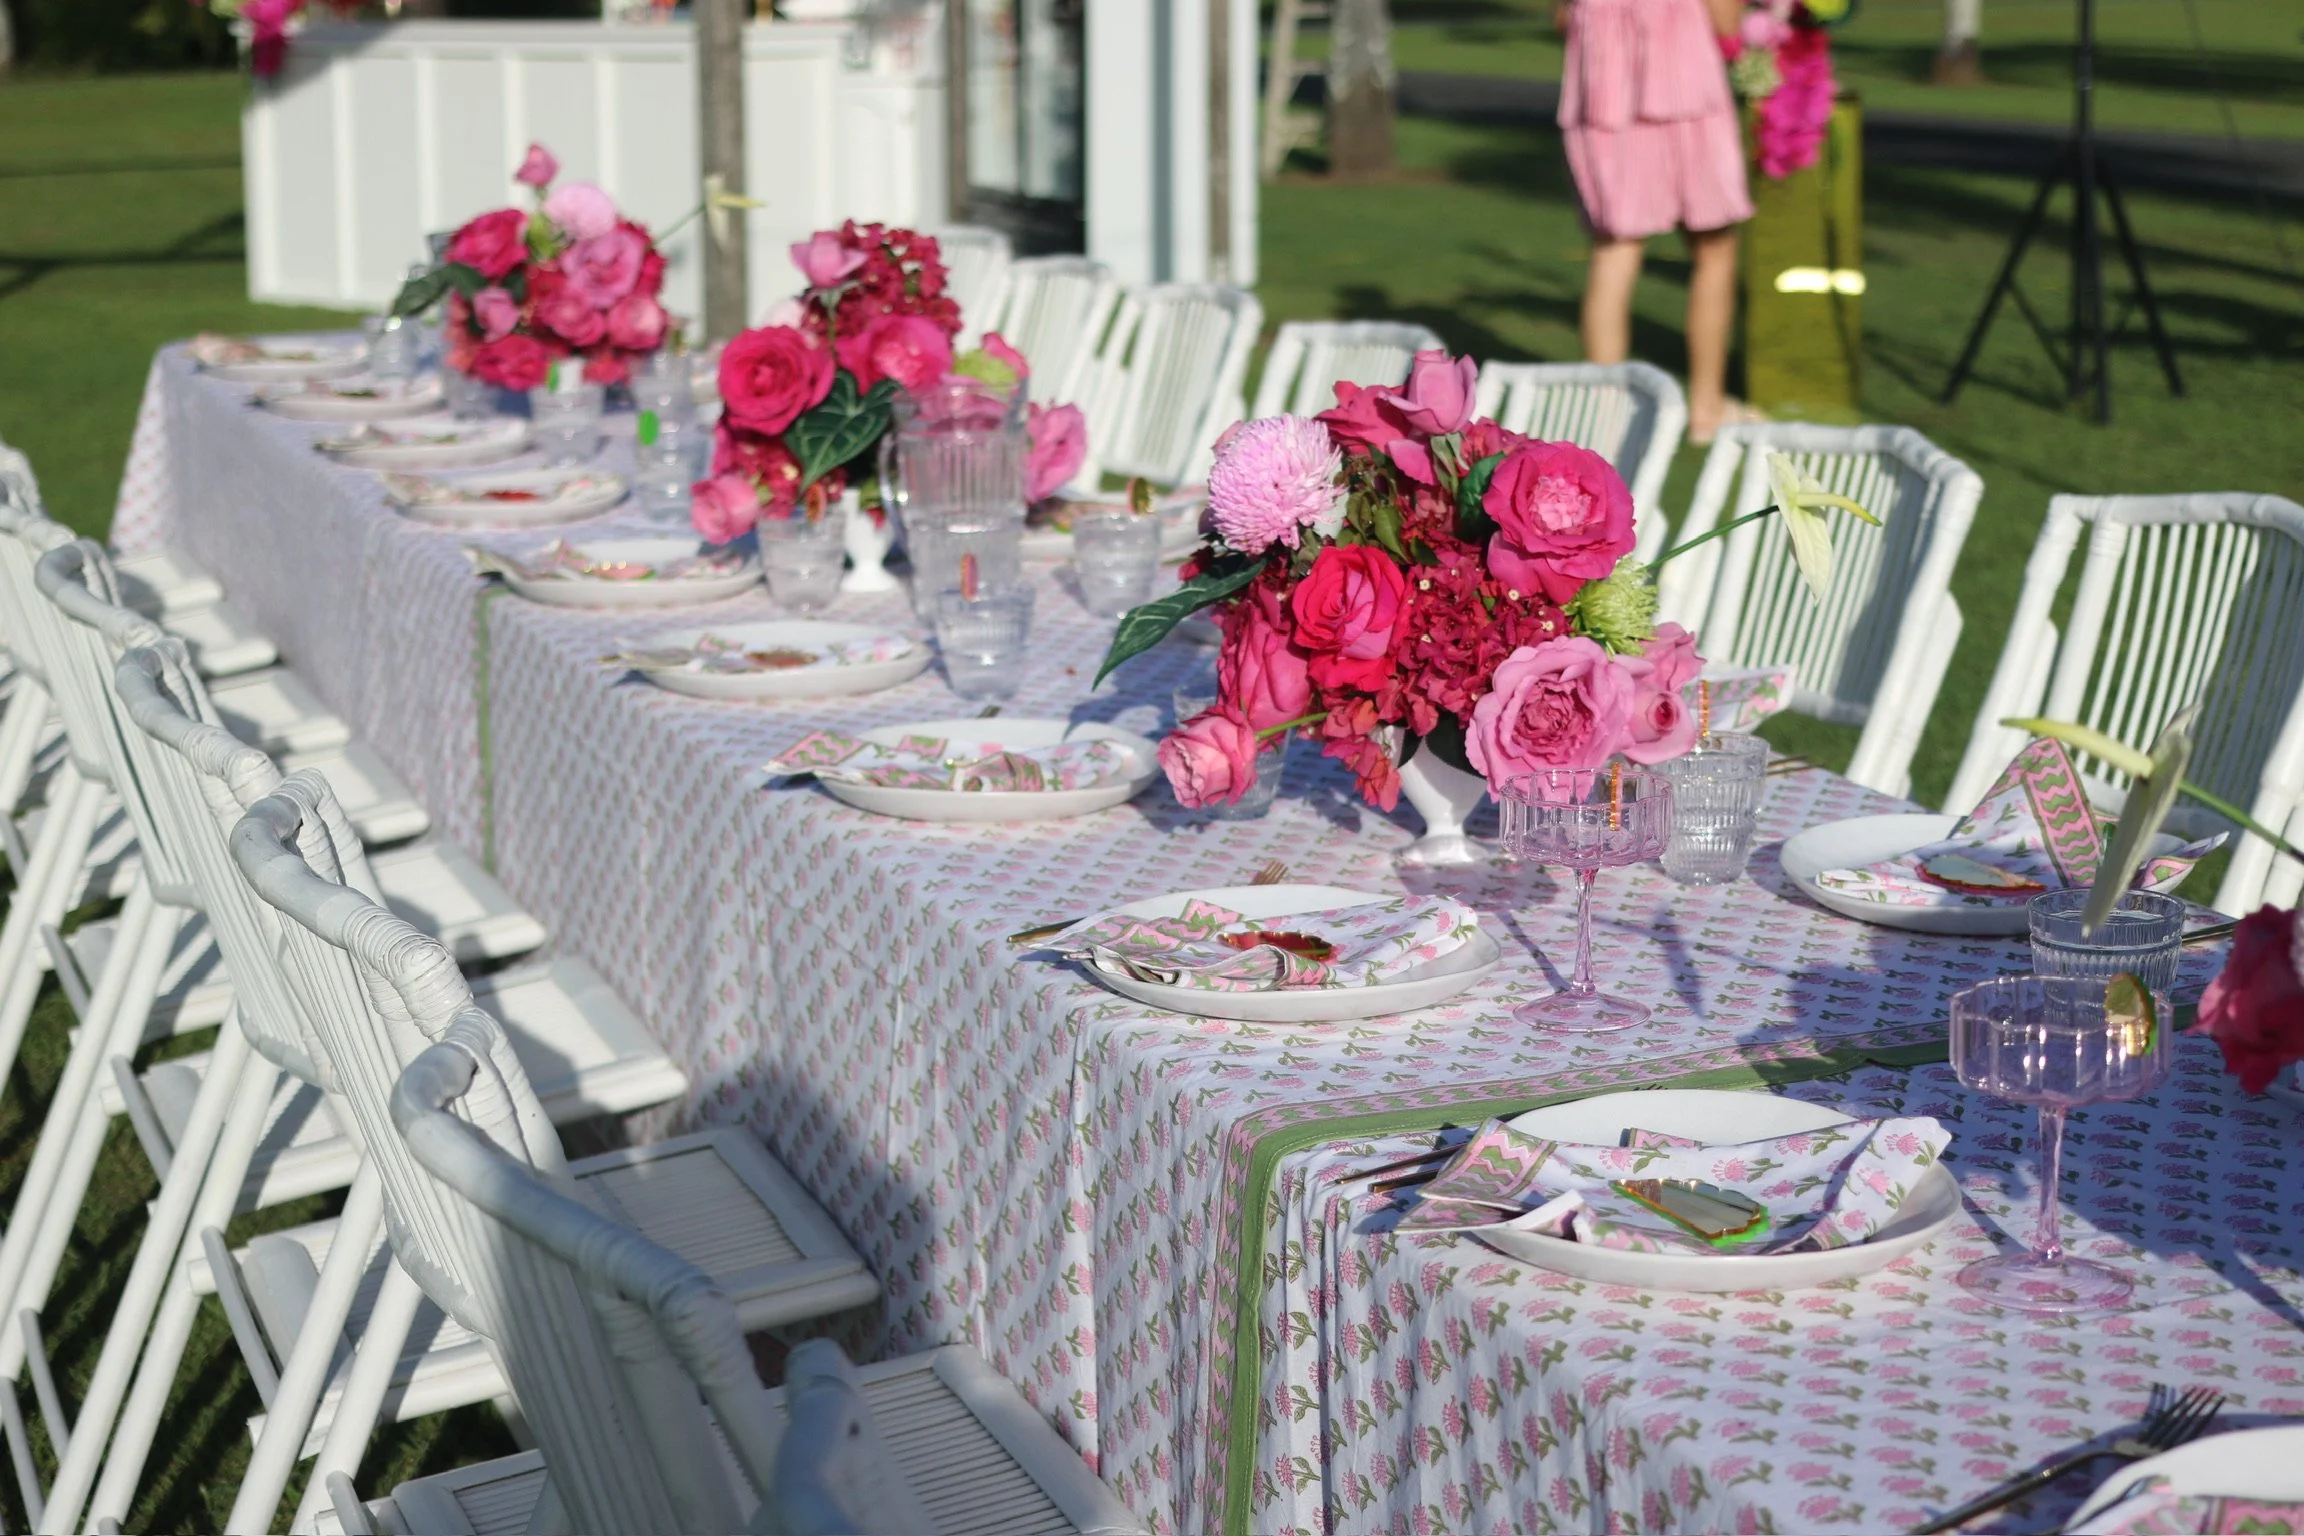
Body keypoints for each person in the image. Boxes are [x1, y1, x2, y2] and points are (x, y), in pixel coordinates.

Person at [1555, 0, 1753, 442]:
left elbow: (1563, 17)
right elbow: (1725, 19)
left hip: (1606, 98)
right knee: (1715, 250)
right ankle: (1708, 407)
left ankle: (1605, 418)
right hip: (1686, 94)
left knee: (1615, 253)